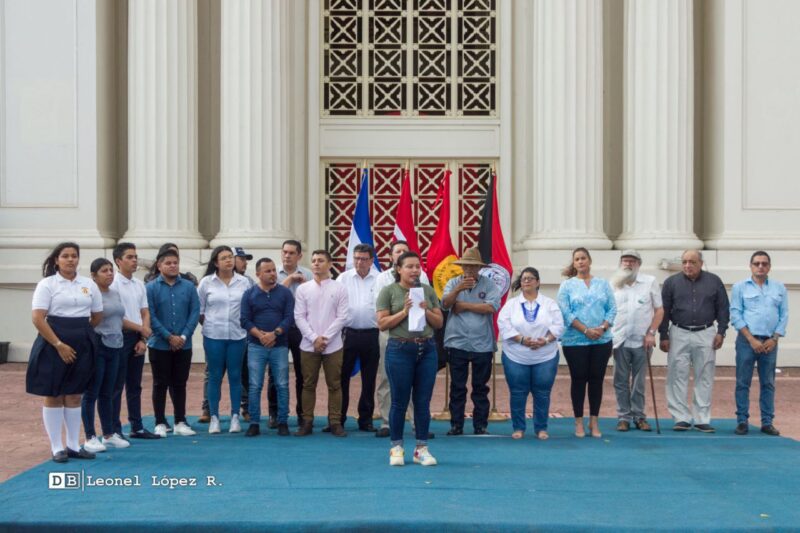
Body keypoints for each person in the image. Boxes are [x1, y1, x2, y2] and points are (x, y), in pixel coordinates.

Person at [28, 242, 102, 463]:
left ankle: (73, 445)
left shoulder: (88, 284)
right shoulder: (47, 284)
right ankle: (57, 446)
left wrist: (82, 334)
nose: (70, 260)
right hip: (53, 341)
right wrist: (59, 344)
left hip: (82, 341)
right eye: (65, 256)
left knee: (75, 394)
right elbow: (38, 318)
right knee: (54, 393)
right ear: (56, 260)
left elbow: (97, 315)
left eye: (74, 256)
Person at [376, 251, 443, 466]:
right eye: (409, 266)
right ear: (399, 269)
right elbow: (382, 324)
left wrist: (426, 310)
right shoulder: (389, 291)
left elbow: (439, 322)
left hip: (427, 349)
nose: (415, 270)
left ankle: (421, 448)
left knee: (422, 401)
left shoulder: (427, 291)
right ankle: (396, 447)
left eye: (417, 266)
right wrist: (404, 311)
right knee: (399, 400)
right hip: (399, 348)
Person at [659, 250, 729, 433]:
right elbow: (664, 310)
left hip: (706, 332)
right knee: (677, 374)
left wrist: (721, 332)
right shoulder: (671, 282)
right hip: (679, 332)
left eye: (692, 262)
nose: (687, 265)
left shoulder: (714, 281)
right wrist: (663, 335)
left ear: (701, 263)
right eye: (684, 262)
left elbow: (723, 308)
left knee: (705, 375)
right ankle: (680, 417)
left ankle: (701, 419)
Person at [373, 240, 431, 438]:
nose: (401, 253)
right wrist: (402, 312)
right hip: (391, 334)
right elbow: (379, 308)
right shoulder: (382, 279)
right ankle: (387, 422)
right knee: (387, 378)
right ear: (392, 257)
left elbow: (427, 302)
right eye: (397, 251)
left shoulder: (421, 276)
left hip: (418, 334)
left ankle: (416, 423)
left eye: (404, 251)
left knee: (416, 381)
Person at [498, 267, 564, 440]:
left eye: (530, 278)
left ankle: (541, 428)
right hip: (516, 356)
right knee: (518, 392)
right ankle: (518, 428)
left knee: (542, 392)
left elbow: (559, 325)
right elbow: (503, 324)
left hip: (545, 356)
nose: (526, 281)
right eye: (523, 278)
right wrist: (521, 339)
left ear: (538, 282)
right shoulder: (511, 304)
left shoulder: (549, 304)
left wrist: (546, 340)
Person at [557, 247, 616, 438]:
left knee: (597, 380)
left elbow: (612, 308)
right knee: (579, 379)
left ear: (589, 260)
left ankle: (594, 421)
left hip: (601, 340)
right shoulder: (567, 286)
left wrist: (602, 328)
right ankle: (578, 422)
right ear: (574, 264)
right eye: (577, 259)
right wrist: (585, 330)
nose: (581, 261)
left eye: (583, 258)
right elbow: (565, 312)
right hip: (575, 341)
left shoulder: (603, 283)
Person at [441, 248, 500, 436]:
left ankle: (480, 425)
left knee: (480, 387)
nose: (469, 269)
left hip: (482, 343)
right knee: (457, 386)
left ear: (479, 268)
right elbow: (445, 304)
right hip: (457, 342)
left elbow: (491, 307)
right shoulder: (453, 283)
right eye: (466, 266)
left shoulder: (489, 284)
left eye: (473, 266)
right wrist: (458, 289)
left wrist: (464, 305)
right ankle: (456, 425)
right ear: (461, 267)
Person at [730, 251, 787, 436]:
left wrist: (774, 338)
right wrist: (751, 339)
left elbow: (784, 315)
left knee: (768, 383)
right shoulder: (740, 287)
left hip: (770, 342)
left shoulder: (779, 288)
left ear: (769, 267)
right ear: (750, 266)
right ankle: (742, 421)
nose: (760, 266)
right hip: (747, 341)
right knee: (742, 382)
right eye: (757, 263)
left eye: (764, 263)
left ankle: (767, 422)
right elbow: (736, 314)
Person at [293, 250, 349, 437]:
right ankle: (307, 421)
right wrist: (313, 338)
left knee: (335, 384)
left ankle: (335, 422)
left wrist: (325, 338)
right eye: (314, 260)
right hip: (308, 345)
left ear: (330, 264)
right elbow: (299, 316)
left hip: (333, 345)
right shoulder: (303, 289)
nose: (316, 263)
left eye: (321, 260)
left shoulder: (339, 288)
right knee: (308, 384)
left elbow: (342, 317)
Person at [146, 248, 200, 437]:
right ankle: (160, 421)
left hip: (184, 344)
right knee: (160, 384)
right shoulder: (151, 288)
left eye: (175, 263)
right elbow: (150, 315)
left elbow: (194, 312)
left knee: (180, 383)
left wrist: (183, 336)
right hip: (159, 344)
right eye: (168, 263)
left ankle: (180, 420)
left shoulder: (189, 287)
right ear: (159, 266)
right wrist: (168, 336)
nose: (172, 266)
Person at [197, 246, 250, 434]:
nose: (229, 260)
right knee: (215, 376)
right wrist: (211, 325)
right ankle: (214, 417)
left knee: (235, 376)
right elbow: (200, 311)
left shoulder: (244, 282)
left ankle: (235, 416)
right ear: (216, 262)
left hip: (237, 335)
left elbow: (249, 308)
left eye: (230, 257)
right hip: (213, 336)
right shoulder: (206, 283)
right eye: (224, 258)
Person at [610, 250, 664, 432]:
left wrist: (651, 333)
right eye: (625, 261)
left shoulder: (649, 281)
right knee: (620, 381)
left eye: (632, 261)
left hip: (643, 340)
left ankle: (639, 416)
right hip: (620, 340)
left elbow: (659, 310)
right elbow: (608, 311)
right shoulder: (613, 283)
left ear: (639, 264)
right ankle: (623, 417)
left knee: (639, 382)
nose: (628, 264)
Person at [240, 258, 295, 437]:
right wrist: (261, 336)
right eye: (268, 271)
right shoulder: (249, 294)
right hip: (256, 346)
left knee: (282, 384)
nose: (273, 274)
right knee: (255, 385)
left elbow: (289, 317)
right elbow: (244, 320)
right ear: (258, 274)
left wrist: (274, 334)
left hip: (280, 346)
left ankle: (282, 422)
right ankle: (254, 423)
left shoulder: (285, 293)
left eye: (273, 270)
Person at [109, 242, 158, 440]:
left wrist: (142, 337)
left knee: (134, 384)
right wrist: (142, 329)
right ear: (118, 261)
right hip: (119, 337)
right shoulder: (113, 285)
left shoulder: (139, 284)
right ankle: (114, 428)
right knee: (116, 385)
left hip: (137, 337)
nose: (134, 260)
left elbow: (144, 311)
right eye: (129, 257)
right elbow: (115, 316)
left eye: (135, 256)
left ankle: (136, 426)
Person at [81, 258, 130, 453]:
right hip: (99, 346)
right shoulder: (90, 294)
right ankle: (90, 436)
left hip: (116, 345)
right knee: (92, 393)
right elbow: (88, 320)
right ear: (93, 276)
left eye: (111, 270)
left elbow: (120, 319)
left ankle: (108, 434)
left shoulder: (115, 293)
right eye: (104, 270)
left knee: (108, 392)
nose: (109, 273)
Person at [338, 244, 381, 432]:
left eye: (364, 259)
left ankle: (366, 419)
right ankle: (338, 419)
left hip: (372, 334)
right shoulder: (343, 278)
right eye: (356, 258)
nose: (359, 262)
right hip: (348, 334)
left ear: (371, 260)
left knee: (369, 379)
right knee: (342, 377)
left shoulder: (380, 279)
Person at [275, 239, 313, 426]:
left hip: (301, 330)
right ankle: (275, 413)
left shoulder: (308, 274)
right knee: (276, 374)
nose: (287, 256)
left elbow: (315, 300)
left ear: (299, 255)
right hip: (278, 329)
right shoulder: (273, 272)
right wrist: (289, 280)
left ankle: (302, 414)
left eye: (291, 253)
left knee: (302, 374)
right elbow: (272, 296)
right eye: (285, 252)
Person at [233, 247, 255, 421]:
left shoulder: (248, 281)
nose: (245, 262)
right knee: (213, 374)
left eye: (245, 259)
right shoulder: (211, 279)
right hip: (218, 335)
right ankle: (208, 408)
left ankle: (245, 407)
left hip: (244, 334)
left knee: (245, 372)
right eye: (241, 259)